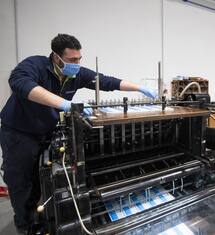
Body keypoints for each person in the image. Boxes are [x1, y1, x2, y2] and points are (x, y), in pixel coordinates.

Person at [0, 34, 156, 234]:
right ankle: (25, 226)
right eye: (73, 60)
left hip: (46, 131)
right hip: (20, 133)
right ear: (57, 57)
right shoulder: (35, 65)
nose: (77, 64)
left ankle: (43, 218)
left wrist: (140, 88)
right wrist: (65, 104)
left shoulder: (75, 74)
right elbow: (20, 83)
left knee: (43, 180)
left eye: (79, 59)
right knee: (21, 182)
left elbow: (107, 82)